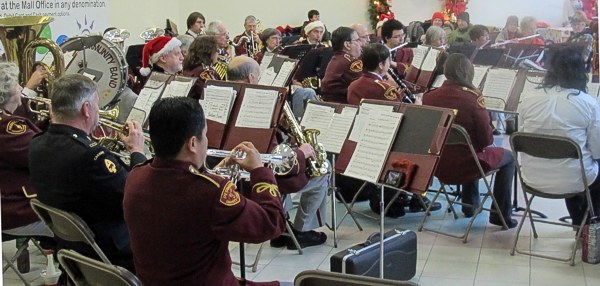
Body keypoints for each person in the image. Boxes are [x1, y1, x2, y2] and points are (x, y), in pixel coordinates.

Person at [124, 97, 284, 285]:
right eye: (205, 135)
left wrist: (211, 177)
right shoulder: (211, 192)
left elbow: (182, 199)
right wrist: (260, 171)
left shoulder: (135, 176)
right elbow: (272, 222)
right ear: (192, 143)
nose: (206, 142)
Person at [29, 74, 147, 271]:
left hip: (75, 253)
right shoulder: (91, 156)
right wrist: (137, 153)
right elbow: (138, 196)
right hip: (115, 254)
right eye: (96, 105)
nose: (98, 112)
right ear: (86, 109)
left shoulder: (37, 143)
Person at [227, 56, 330, 249]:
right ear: (251, 78)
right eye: (258, 75)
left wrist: (280, 128)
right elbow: (275, 162)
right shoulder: (258, 103)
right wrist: (301, 152)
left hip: (233, 176)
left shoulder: (224, 97)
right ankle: (301, 231)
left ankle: (282, 226)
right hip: (257, 177)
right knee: (323, 170)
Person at [422, 53, 517, 228]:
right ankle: (500, 214)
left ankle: (470, 204)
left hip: (438, 164)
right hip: (468, 164)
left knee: (466, 147)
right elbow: (487, 139)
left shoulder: (429, 96)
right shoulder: (472, 98)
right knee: (507, 157)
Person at [518, 47, 600, 227]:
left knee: (571, 159)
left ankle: (579, 224)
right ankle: (589, 228)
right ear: (580, 71)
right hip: (575, 180)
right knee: (587, 165)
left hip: (532, 177)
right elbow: (596, 151)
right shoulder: (588, 104)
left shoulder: (528, 99)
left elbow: (520, 137)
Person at [1, 62, 53, 238]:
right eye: (17, 85)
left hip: (10, 205)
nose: (20, 89)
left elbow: (27, 143)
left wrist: (49, 123)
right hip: (16, 210)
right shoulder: (7, 126)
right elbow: (43, 154)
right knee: (82, 223)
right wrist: (63, 125)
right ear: (6, 94)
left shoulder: (7, 123)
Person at [255, 29, 318, 118]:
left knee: (310, 91)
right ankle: (297, 119)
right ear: (266, 40)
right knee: (299, 91)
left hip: (286, 85)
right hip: (271, 87)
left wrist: (294, 79)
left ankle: (313, 120)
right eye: (274, 38)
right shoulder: (260, 55)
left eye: (279, 38)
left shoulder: (283, 52)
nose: (277, 41)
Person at [321, 27, 363, 103]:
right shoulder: (350, 63)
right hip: (344, 107)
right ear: (347, 45)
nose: (361, 44)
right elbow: (364, 84)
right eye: (357, 40)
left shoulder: (337, 59)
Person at [182, 35, 222, 100]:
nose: (218, 54)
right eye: (217, 50)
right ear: (209, 52)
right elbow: (215, 97)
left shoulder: (187, 68)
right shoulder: (206, 72)